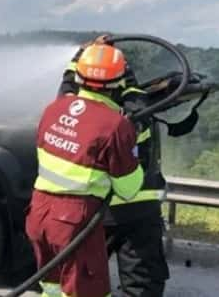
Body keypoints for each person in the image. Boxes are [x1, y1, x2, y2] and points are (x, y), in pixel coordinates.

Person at [26, 42, 144, 297]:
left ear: (78, 75)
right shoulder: (115, 124)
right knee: (88, 292)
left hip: (39, 215)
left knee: (52, 288)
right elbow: (128, 189)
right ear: (119, 83)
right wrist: (133, 147)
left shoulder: (53, 109)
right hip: (74, 221)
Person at [60, 37, 170, 297]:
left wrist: (84, 53)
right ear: (120, 80)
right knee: (143, 285)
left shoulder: (71, 112)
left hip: (95, 212)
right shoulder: (135, 110)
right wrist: (117, 62)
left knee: (83, 284)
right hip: (140, 210)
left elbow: (66, 85)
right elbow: (131, 90)